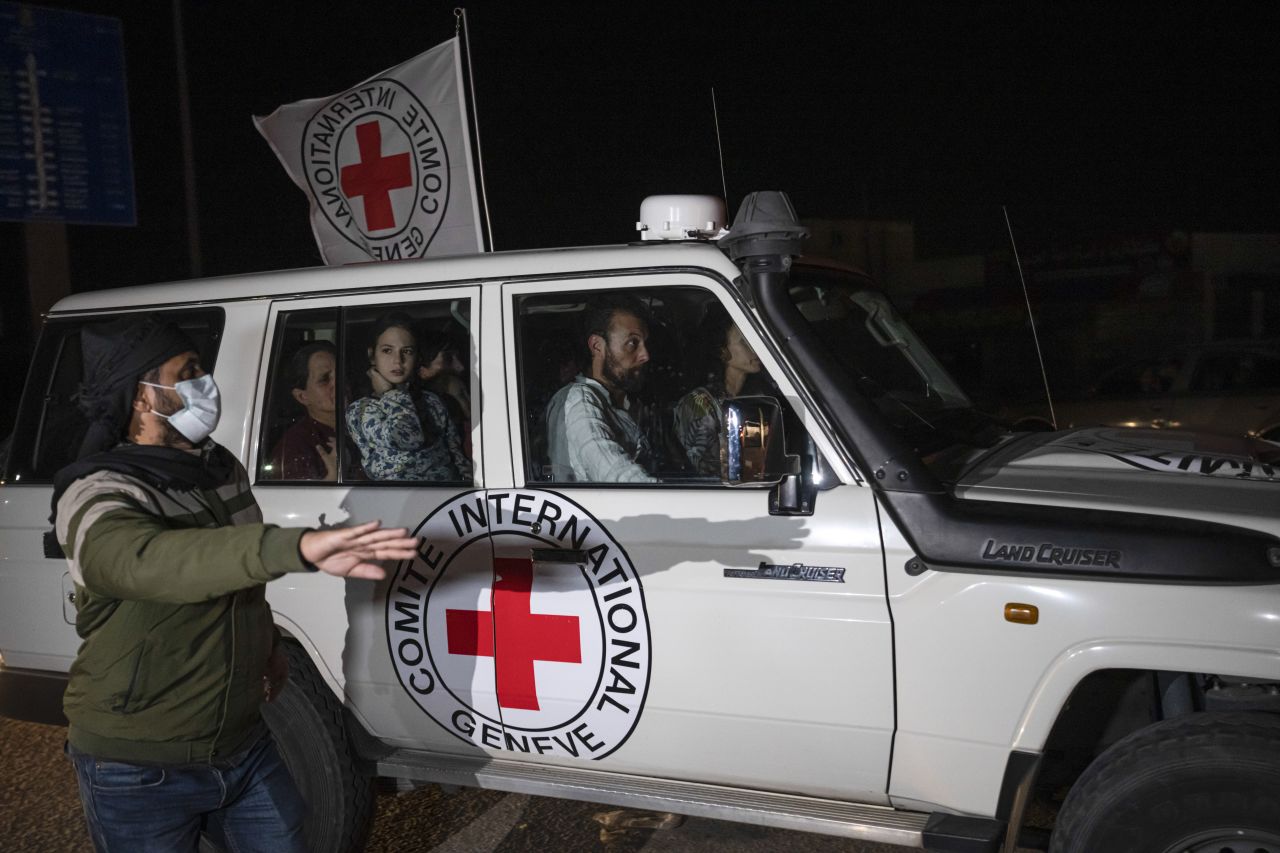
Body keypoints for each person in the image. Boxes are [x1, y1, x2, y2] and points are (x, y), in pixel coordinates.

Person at [50, 316, 418, 853]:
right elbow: (140, 561)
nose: (206, 382)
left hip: (243, 744)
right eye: (188, 371)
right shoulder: (97, 490)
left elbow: (235, 580)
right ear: (141, 397)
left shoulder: (218, 468)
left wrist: (266, 646)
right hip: (138, 765)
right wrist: (293, 547)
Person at [346, 312, 471, 482]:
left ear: (416, 357)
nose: (398, 361)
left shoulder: (431, 401)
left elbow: (455, 454)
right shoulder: (361, 410)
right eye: (387, 351)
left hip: (446, 500)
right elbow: (408, 438)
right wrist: (390, 394)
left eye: (407, 351)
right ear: (372, 355)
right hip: (397, 501)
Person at [545, 294, 658, 482]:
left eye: (645, 343)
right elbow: (618, 475)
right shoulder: (581, 400)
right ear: (597, 346)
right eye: (632, 343)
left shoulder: (620, 402)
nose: (645, 355)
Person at [674, 306, 764, 476]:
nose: (755, 345)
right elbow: (708, 472)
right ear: (722, 351)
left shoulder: (755, 395)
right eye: (744, 341)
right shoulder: (699, 403)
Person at [268, 340, 338, 480]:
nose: (338, 383)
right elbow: (293, 500)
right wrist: (332, 480)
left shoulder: (364, 423)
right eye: (324, 379)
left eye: (341, 374)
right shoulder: (294, 448)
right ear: (302, 396)